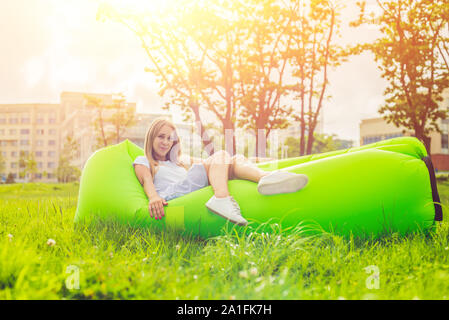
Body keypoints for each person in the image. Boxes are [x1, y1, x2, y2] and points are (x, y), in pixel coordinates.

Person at [133, 117, 308, 226]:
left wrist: (267, 162)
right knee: (221, 154)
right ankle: (221, 198)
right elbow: (146, 180)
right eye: (161, 137)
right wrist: (154, 197)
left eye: (170, 138)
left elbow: (224, 163)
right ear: (151, 137)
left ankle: (267, 177)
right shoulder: (145, 160)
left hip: (189, 189)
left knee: (235, 158)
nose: (166, 142)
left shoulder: (180, 161)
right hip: (173, 198)